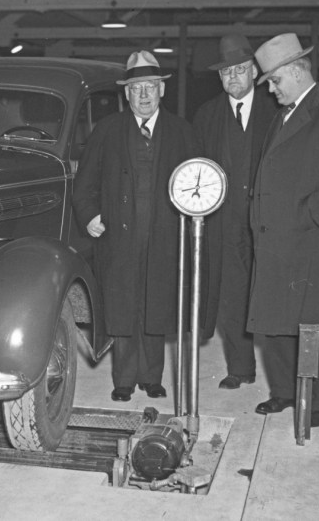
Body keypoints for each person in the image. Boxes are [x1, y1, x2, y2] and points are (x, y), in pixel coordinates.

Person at [248, 33, 319, 429]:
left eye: (275, 82)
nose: (273, 90)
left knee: (317, 324)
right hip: (276, 235)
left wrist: (305, 218)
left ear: (296, 71)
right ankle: (283, 390)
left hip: (314, 239)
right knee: (277, 320)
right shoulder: (282, 115)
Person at [73, 50, 198, 403]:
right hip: (118, 236)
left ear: (162, 90)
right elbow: (85, 183)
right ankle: (123, 380)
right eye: (136, 88)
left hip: (164, 236)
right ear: (126, 94)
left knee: (157, 305)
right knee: (122, 307)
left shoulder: (181, 132)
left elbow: (196, 182)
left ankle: (152, 376)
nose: (143, 95)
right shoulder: (107, 130)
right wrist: (90, 216)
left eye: (150, 87)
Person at [191, 34, 279, 391]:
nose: (233, 78)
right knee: (230, 296)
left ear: (254, 71)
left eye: (240, 70)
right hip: (224, 223)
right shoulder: (206, 115)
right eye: (227, 72)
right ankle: (240, 369)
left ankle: (281, 380)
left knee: (270, 295)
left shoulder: (276, 111)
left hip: (267, 221)